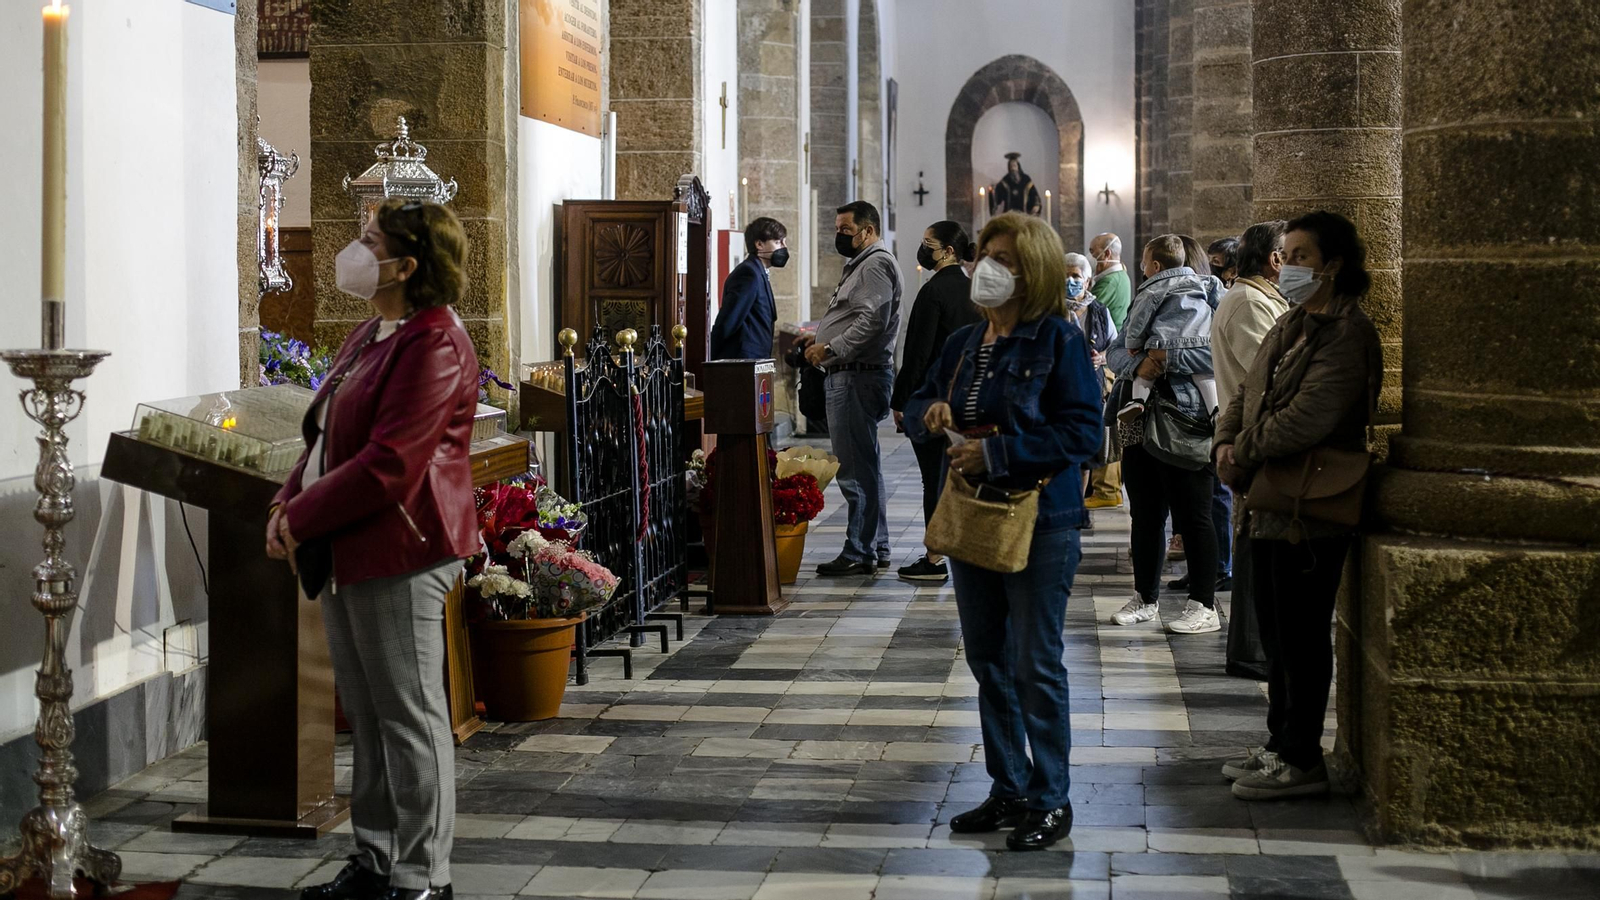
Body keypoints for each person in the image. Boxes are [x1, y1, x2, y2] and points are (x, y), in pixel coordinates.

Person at [269, 199, 478, 900]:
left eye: (369, 241)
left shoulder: (435, 343)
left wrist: (301, 518)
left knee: (409, 716)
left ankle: (423, 877)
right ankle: (377, 859)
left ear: (407, 264)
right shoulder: (373, 333)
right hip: (349, 544)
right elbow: (325, 436)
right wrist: (285, 503)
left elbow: (391, 463)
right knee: (368, 715)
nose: (353, 252)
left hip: (404, 548)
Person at [903, 212, 1102, 851]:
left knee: (1033, 661)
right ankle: (1009, 786)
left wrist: (999, 452)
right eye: (986, 254)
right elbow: (918, 398)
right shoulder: (967, 341)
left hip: (1039, 518)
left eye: (1006, 258)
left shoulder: (1057, 341)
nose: (989, 266)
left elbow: (1083, 432)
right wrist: (931, 411)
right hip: (973, 513)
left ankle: (1051, 798)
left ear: (1033, 270)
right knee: (988, 657)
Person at [1214, 210, 1382, 800]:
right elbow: (1246, 392)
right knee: (1276, 632)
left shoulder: (1347, 333)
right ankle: (1279, 742)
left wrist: (1241, 451)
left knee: (1302, 634)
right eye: (1285, 256)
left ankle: (1302, 758)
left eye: (1301, 256)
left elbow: (1309, 417)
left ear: (1332, 265)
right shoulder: (1292, 321)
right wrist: (1223, 440)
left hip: (1309, 507)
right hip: (1270, 499)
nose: (1287, 266)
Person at [1107, 235, 1223, 635]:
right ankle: (1145, 598)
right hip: (1139, 423)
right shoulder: (1147, 296)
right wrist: (1138, 365)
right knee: (1144, 514)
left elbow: (1218, 352)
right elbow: (1117, 351)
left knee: (1194, 516)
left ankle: (1203, 605)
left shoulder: (1210, 297)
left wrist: (1168, 356)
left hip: (1187, 419)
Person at [805, 200, 903, 575]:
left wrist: (831, 348)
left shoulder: (875, 264)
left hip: (856, 375)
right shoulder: (865, 263)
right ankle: (876, 545)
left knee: (855, 470)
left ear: (868, 230)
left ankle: (860, 550)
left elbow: (872, 320)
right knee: (866, 467)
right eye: (837, 229)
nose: (839, 236)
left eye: (846, 230)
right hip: (856, 373)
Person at [1210, 220, 1290, 680]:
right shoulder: (1248, 303)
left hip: (1255, 435)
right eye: (1296, 255)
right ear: (1275, 259)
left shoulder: (1260, 298)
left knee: (1258, 544)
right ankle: (1252, 650)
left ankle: (1255, 647)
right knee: (1256, 545)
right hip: (1255, 436)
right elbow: (1270, 374)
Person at [891, 221, 980, 582]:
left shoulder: (933, 292)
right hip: (968, 399)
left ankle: (934, 557)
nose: (923, 249)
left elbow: (917, 354)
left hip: (933, 400)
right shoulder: (973, 289)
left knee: (934, 479)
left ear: (949, 251)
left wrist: (900, 401)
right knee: (959, 478)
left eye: (929, 244)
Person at [1064, 251, 1117, 507]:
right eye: (1065, 276)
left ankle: (1076, 504)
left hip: (1090, 390)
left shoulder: (1099, 311)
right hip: (1059, 391)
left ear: (1087, 281)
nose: (1070, 281)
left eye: (1076, 276)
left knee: (1086, 455)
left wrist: (1102, 357)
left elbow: (1115, 346)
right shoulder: (1049, 310)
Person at [710, 217, 788, 360]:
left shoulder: (759, 271)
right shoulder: (748, 273)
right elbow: (729, 320)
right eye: (778, 242)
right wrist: (710, 357)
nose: (784, 247)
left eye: (784, 242)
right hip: (744, 360)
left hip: (756, 360)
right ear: (759, 244)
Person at [1088, 232, 1132, 329]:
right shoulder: (1119, 275)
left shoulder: (1110, 282)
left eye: (1092, 252)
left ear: (1107, 254)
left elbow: (1087, 311)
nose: (1090, 257)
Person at [989, 152, 1043, 217]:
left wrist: (1036, 205)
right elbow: (997, 196)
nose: (1013, 169)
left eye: (1014, 166)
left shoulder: (1026, 179)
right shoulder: (1005, 180)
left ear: (1018, 166)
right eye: (1011, 166)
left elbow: (1034, 194)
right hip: (1009, 216)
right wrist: (993, 192)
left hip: (1024, 215)